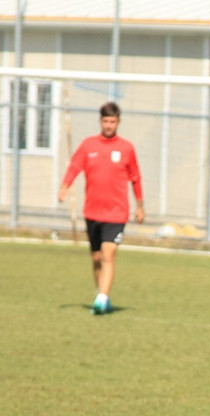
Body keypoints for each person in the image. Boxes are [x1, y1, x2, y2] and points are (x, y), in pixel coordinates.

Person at [58, 101, 144, 314]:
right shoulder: (88, 146)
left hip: (116, 213)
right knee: (96, 258)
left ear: (118, 122)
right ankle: (101, 293)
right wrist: (64, 186)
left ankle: (102, 298)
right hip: (93, 212)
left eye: (112, 121)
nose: (108, 125)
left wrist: (140, 206)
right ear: (100, 121)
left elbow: (136, 178)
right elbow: (75, 166)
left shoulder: (126, 148)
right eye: (105, 121)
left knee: (109, 253)